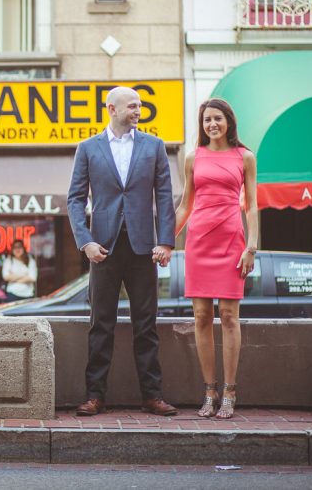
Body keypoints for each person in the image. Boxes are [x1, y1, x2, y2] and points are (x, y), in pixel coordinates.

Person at [66, 86, 177, 417]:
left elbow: (164, 195)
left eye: (140, 105)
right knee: (101, 324)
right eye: (132, 106)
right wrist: (85, 241)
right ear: (111, 109)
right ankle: (95, 396)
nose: (138, 110)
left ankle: (152, 395)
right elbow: (74, 199)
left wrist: (166, 241)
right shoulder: (88, 148)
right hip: (103, 248)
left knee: (147, 325)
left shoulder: (154, 146)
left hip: (145, 249)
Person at [175, 98, 258, 420]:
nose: (212, 124)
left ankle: (230, 393)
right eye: (207, 119)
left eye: (218, 119)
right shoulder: (193, 157)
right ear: (202, 124)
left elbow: (251, 205)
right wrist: (167, 241)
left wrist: (251, 246)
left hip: (231, 239)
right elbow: (185, 205)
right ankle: (208, 391)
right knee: (201, 316)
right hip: (199, 239)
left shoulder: (245, 157)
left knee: (228, 316)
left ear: (229, 122)